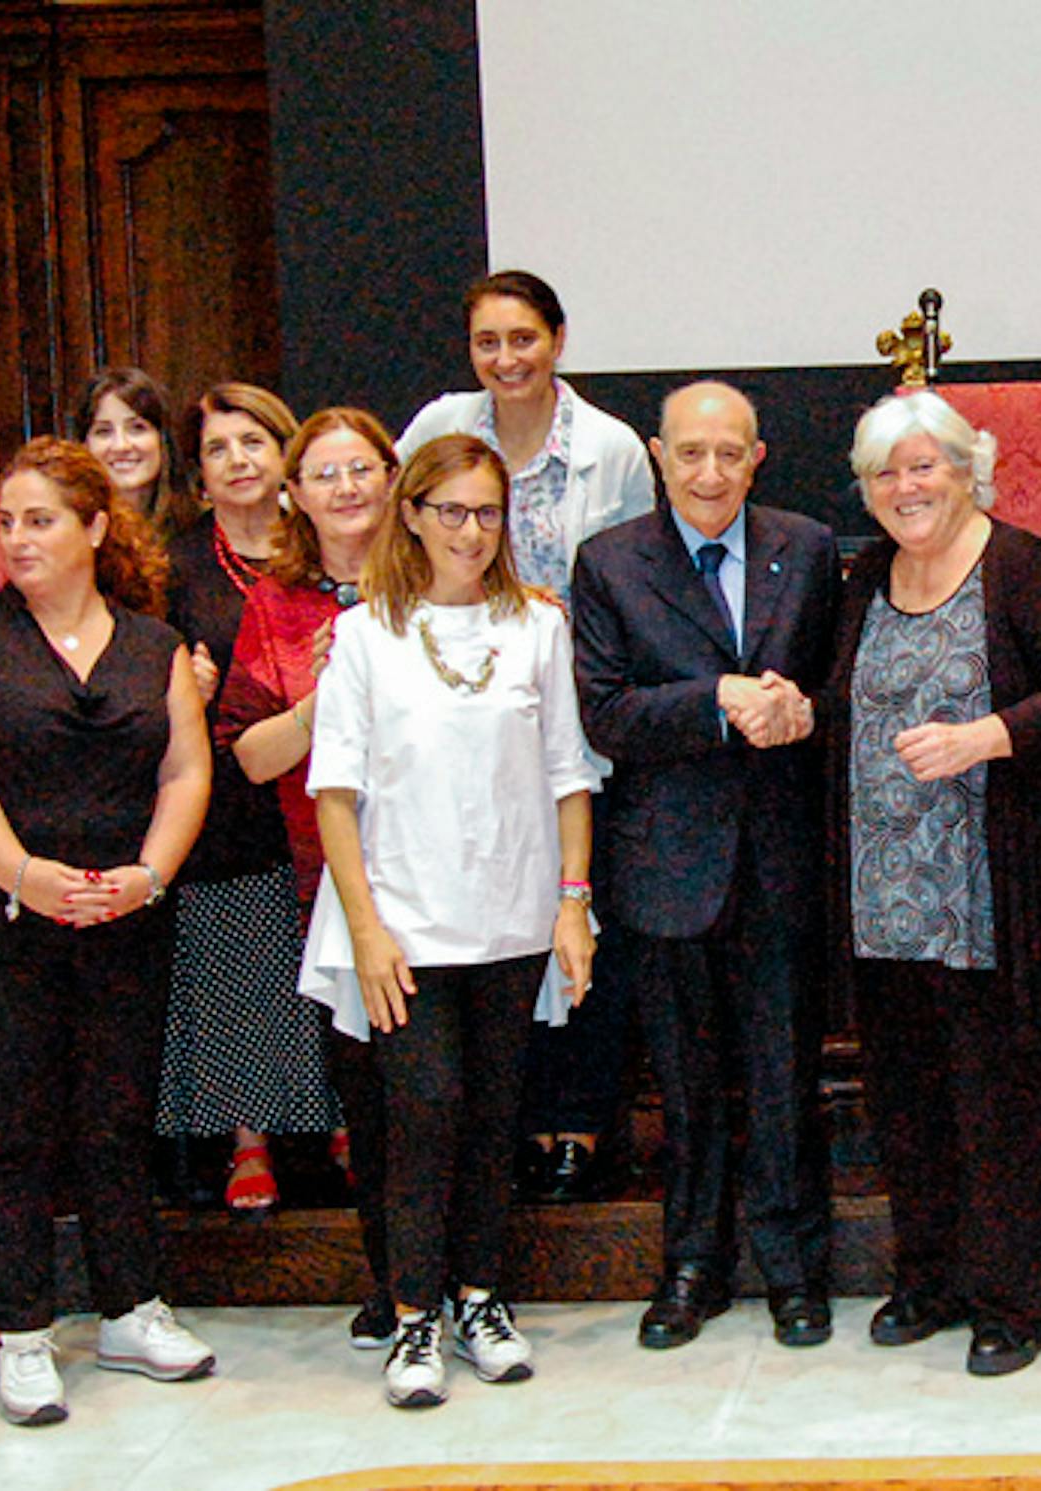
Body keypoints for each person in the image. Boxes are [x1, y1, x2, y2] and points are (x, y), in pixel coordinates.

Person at [0, 436, 216, 1427]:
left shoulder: (153, 645)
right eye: (6, 520)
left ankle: (131, 1309)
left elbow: (186, 772)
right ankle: (25, 1333)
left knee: (117, 1122)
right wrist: (22, 874)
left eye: (39, 519)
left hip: (120, 924)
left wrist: (151, 874)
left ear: (92, 528)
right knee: (9, 1132)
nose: (17, 537)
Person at [823, 391, 1041, 1378]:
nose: (906, 488)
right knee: (907, 1106)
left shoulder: (1019, 566)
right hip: (882, 901)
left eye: (925, 466)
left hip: (990, 900)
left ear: (966, 470)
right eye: (886, 473)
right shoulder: (866, 575)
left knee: (1000, 1109)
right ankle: (930, 1280)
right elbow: (836, 703)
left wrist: (983, 738)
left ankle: (1010, 1305)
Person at [297, 433, 599, 1410]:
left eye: (488, 512)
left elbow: (568, 778)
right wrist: (369, 928)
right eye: (453, 511)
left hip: (512, 920)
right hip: (404, 929)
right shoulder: (365, 635)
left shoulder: (537, 629)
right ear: (412, 514)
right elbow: (333, 794)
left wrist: (572, 906)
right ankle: (413, 1312)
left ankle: (479, 1297)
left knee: (491, 1116)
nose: (472, 531)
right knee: (420, 1113)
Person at [570, 382, 843, 1352]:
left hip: (779, 861)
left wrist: (805, 711)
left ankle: (794, 1271)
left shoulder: (807, 548)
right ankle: (692, 1267)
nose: (711, 472)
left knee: (782, 1081)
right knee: (683, 1090)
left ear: (758, 456)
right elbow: (603, 712)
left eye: (730, 453)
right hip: (666, 864)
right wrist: (716, 701)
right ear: (657, 453)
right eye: (691, 453)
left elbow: (836, 685)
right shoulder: (608, 562)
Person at [397, 268, 654, 1201]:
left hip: (570, 713)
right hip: (456, 714)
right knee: (485, 930)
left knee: (577, 921)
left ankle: (578, 1123)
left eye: (523, 339)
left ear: (558, 341)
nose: (506, 359)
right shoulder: (436, 430)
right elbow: (403, 545)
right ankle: (497, 1128)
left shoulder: (614, 448)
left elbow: (634, 579)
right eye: (487, 342)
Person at [221, 407, 398, 1349]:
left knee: (442, 1092)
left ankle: (462, 1271)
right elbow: (249, 754)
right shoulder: (275, 606)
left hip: (444, 873)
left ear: (391, 477)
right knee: (366, 1091)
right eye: (323, 474)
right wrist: (329, 694)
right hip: (327, 879)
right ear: (295, 493)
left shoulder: (443, 584)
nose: (345, 490)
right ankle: (392, 1279)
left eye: (360, 469)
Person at [158, 381, 336, 1212]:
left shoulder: (330, 538)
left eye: (253, 442)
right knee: (240, 960)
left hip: (330, 788)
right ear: (198, 473)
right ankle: (247, 1136)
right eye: (218, 448)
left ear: (286, 455)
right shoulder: (174, 560)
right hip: (229, 790)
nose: (238, 460)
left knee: (334, 953)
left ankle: (342, 1116)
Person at [72, 367, 191, 524]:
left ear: (163, 440)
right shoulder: (73, 532)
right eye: (104, 431)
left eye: (137, 428)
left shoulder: (204, 530)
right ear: (84, 446)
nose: (121, 446)